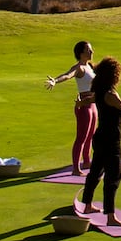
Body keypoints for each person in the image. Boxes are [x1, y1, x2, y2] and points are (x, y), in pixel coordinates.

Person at [77, 58, 121, 226]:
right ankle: (111, 217)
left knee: (96, 171)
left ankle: (87, 205)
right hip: (111, 140)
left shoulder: (99, 91)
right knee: (113, 176)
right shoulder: (110, 94)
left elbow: (90, 100)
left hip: (100, 137)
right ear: (114, 75)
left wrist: (82, 102)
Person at [45, 40, 96, 177]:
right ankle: (76, 168)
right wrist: (55, 81)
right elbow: (67, 75)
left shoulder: (90, 66)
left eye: (91, 49)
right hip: (84, 105)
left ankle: (86, 161)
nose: (91, 52)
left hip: (93, 104)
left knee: (90, 135)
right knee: (81, 137)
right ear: (81, 53)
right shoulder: (79, 68)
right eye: (88, 50)